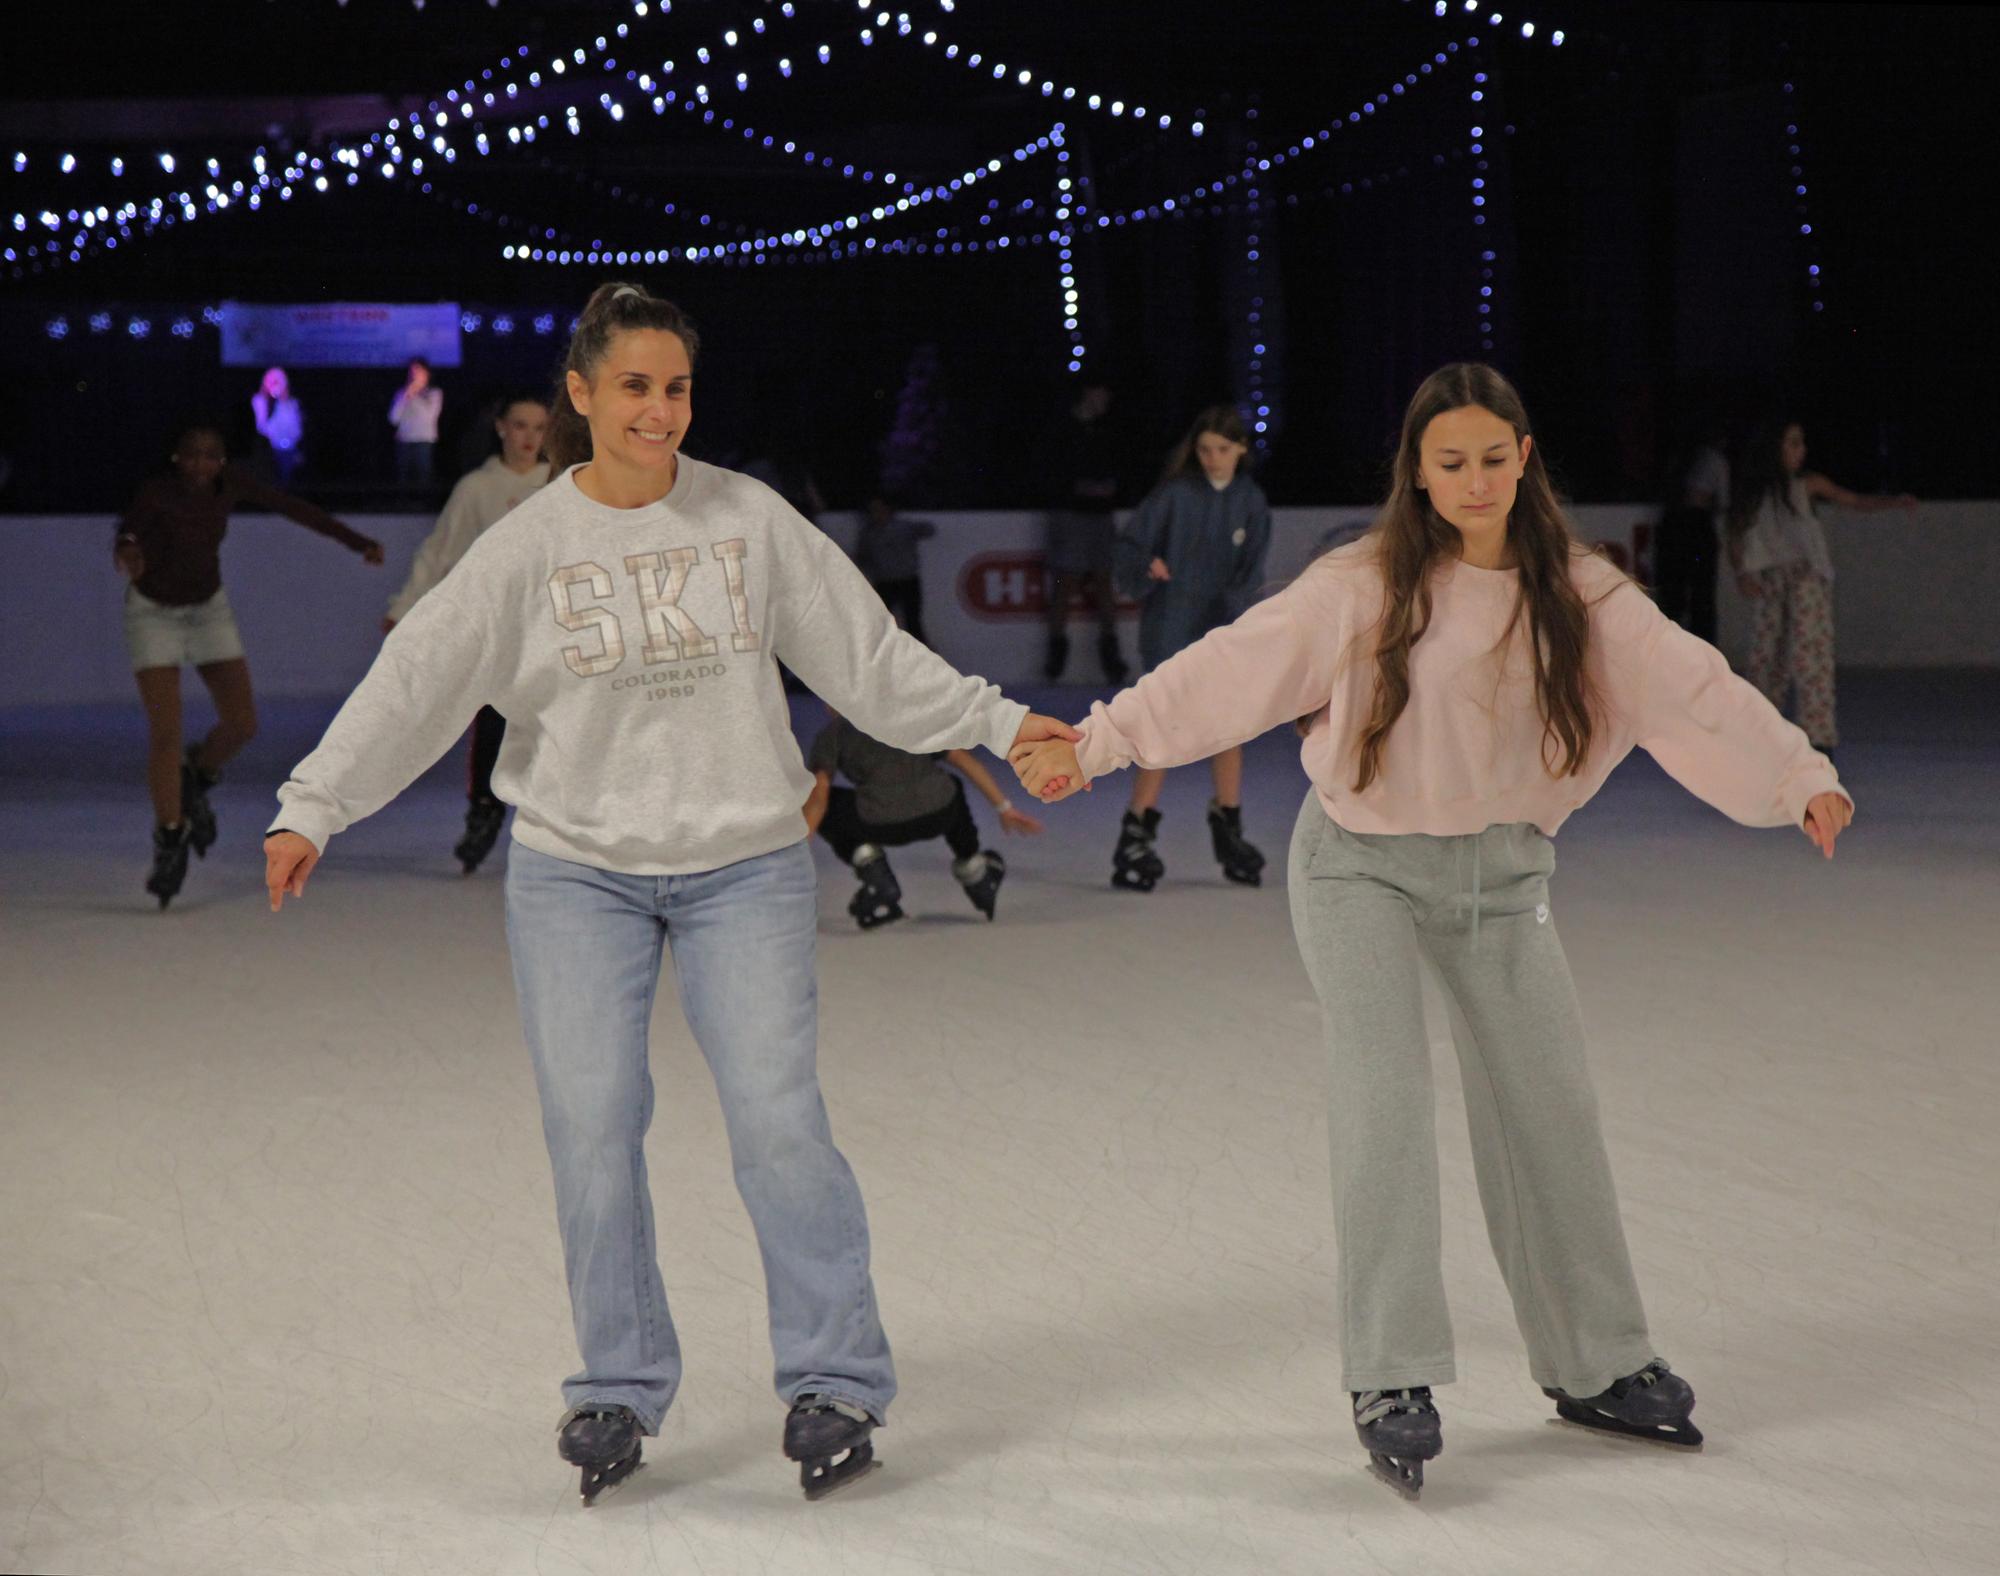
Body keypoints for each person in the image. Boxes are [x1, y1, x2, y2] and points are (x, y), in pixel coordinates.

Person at [261, 281, 1079, 1506]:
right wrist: (314, 801)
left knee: (776, 1121)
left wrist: (1004, 723)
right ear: (578, 397)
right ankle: (615, 1383)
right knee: (592, 1131)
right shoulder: (529, 546)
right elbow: (420, 674)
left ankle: (836, 1375)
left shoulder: (745, 518)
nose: (658, 409)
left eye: (676, 386)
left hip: (740, 865)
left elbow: (868, 661)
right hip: (574, 873)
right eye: (633, 386)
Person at [1012, 363, 1853, 1500]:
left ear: (1523, 457)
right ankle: (1390, 1375)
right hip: (1358, 865)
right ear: (1415, 469)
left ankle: (1596, 1361)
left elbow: (1690, 688)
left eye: (1491, 458)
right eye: (1447, 461)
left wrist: (1793, 774)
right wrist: (1099, 739)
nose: (1472, 480)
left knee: (1549, 1108)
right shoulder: (1360, 584)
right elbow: (1232, 670)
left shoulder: (1580, 591)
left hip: (1502, 881)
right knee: (1386, 1103)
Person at [112, 419, 382, 908]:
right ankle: (170, 838)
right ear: (176, 458)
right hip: (152, 615)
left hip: (207, 609)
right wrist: (128, 551)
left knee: (242, 724)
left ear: (222, 461)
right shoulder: (156, 493)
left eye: (211, 455)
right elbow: (130, 529)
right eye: (191, 454)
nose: (201, 464)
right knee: (165, 735)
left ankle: (195, 779)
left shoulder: (230, 484)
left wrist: (356, 541)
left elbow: (294, 509)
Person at [382, 391, 553, 872]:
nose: (529, 437)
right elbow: (441, 551)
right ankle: (484, 809)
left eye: (539, 428)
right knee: (495, 719)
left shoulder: (564, 483)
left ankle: (564, 824)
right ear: (500, 427)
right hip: (499, 627)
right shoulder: (477, 488)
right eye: (520, 425)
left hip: (557, 626)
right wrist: (405, 606)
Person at [1108, 405, 1273, 892]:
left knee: (1228, 729)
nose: (1212, 458)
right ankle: (1136, 830)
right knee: (1164, 728)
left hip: (1221, 633)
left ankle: (1229, 825)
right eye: (1204, 450)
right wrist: (1147, 564)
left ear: (1242, 449)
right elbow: (1130, 545)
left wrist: (1239, 630)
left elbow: (1251, 574)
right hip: (1172, 627)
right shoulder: (1175, 494)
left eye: (1222, 449)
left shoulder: (1252, 501)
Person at [1727, 418, 1919, 752]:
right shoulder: (1755, 493)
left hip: (1807, 582)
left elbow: (1855, 501)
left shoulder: (1807, 485)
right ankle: (1760, 737)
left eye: (1801, 442)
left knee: (1812, 659)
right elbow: (1734, 534)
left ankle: (1819, 741)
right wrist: (1742, 573)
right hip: (1773, 581)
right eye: (1793, 443)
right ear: (1774, 448)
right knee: (1766, 660)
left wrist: (1894, 501)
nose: (1801, 451)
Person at [802, 709, 1044, 927]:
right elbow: (962, 760)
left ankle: (870, 866)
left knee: (823, 801)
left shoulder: (833, 735)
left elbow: (819, 794)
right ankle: (974, 869)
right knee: (951, 788)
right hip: (938, 815)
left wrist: (800, 848)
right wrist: (1004, 807)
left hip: (878, 823)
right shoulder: (911, 717)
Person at [1042, 378, 1130, 685]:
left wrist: (1108, 488)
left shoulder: (1106, 430)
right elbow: (1052, 472)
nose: (1106, 398)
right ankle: (1055, 655)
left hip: (1100, 515)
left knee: (1104, 581)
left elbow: (1118, 467)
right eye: (1102, 390)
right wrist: (1080, 488)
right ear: (1089, 392)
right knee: (1066, 582)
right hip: (1071, 515)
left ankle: (1111, 656)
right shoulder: (1063, 429)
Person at [1653, 416, 1728, 643]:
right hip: (1697, 529)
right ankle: (1703, 649)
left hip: (1672, 525)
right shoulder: (1715, 459)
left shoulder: (1677, 457)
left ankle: (1667, 647)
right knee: (1701, 594)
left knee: (1672, 593)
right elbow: (1723, 501)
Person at [852, 492, 936, 645]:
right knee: (879, 622)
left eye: (878, 509)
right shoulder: (868, 534)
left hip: (907, 581)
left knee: (913, 623)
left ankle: (925, 657)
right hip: (885, 582)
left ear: (888, 509)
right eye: (873, 510)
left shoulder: (902, 527)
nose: (875, 513)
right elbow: (863, 557)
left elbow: (930, 530)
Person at [388, 358, 444, 493]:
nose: (414, 375)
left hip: (423, 440)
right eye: (412, 371)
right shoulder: (402, 393)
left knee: (424, 477)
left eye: (418, 371)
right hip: (404, 440)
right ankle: (403, 506)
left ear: (427, 373)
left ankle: (424, 505)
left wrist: (415, 394)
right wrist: (405, 397)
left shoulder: (434, 393)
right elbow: (393, 418)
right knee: (403, 478)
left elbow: (429, 416)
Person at [250, 366, 306, 488]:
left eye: (278, 381)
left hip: (289, 448)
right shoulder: (259, 401)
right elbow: (261, 426)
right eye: (271, 381)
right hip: (269, 449)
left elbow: (297, 428)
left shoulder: (292, 404)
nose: (275, 385)